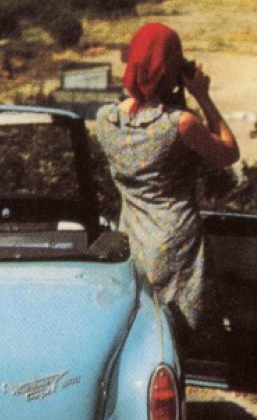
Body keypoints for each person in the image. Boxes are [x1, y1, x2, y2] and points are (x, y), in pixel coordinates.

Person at [95, 23, 240, 350]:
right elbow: (229, 153)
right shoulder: (181, 123)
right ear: (171, 69)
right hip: (176, 244)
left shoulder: (105, 119)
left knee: (143, 339)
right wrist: (202, 95)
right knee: (178, 343)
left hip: (133, 241)